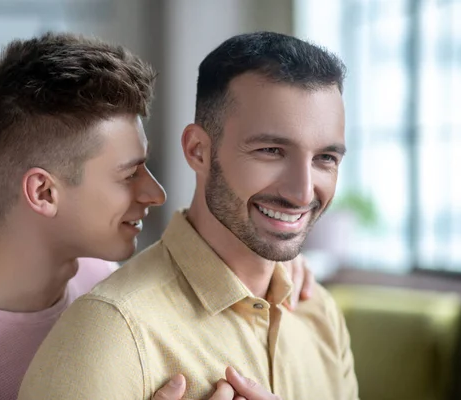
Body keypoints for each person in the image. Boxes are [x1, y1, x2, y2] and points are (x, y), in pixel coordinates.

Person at [0, 32, 314, 400]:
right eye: (128, 175)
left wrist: (267, 262)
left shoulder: (99, 278)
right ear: (43, 192)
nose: (154, 193)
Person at [18, 31, 359, 400]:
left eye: (326, 158)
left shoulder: (320, 313)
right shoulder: (109, 334)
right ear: (198, 151)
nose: (302, 192)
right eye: (271, 150)